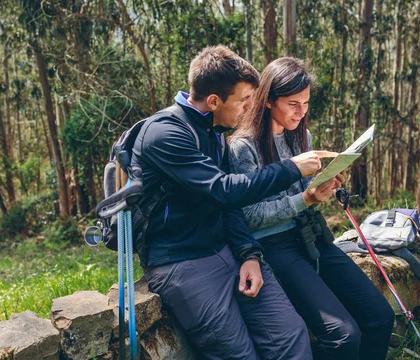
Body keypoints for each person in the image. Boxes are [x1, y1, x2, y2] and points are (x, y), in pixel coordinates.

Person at [130, 46, 327, 359]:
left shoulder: (214, 132)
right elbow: (224, 191)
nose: (251, 107)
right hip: (181, 262)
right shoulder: (165, 134)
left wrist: (249, 253)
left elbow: (227, 207)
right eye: (244, 100)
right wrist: (291, 169)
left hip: (226, 250)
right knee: (239, 354)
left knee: (291, 335)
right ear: (213, 101)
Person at [228, 57, 396, 360]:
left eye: (305, 103)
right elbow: (248, 217)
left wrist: (324, 185)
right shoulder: (243, 147)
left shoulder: (301, 137)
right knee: (344, 337)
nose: (301, 111)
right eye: (293, 103)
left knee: (381, 317)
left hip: (312, 236)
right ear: (267, 101)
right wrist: (304, 199)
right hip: (275, 246)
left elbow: (302, 193)